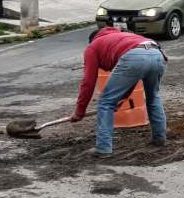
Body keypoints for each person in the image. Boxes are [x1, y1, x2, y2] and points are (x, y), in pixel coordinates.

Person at [72, 27, 168, 156]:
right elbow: (130, 80)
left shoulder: (92, 47)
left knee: (105, 102)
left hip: (134, 56)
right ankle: (159, 138)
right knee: (153, 97)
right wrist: (120, 100)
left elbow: (88, 82)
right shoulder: (122, 37)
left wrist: (80, 111)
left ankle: (103, 148)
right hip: (157, 53)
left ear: (92, 39)